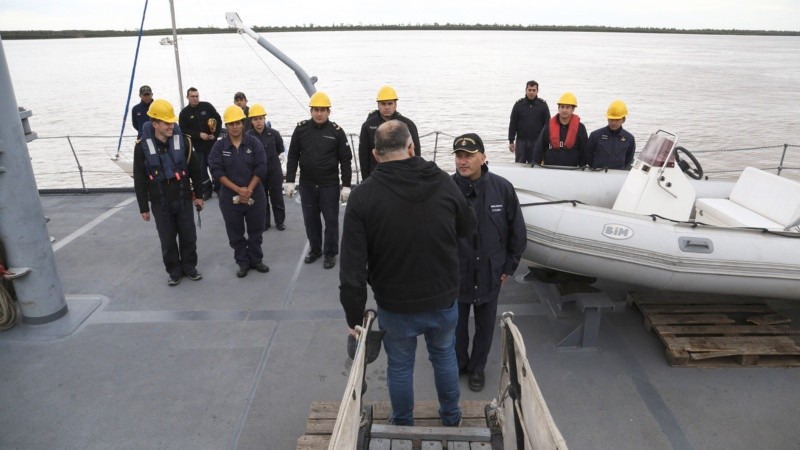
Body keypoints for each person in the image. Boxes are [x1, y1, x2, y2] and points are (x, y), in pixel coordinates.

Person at [339, 120, 476, 427]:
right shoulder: (441, 180)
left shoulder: (363, 197)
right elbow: (468, 226)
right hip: (443, 298)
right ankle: (451, 418)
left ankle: (402, 423)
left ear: (375, 155)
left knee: (400, 367)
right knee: (444, 357)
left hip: (396, 304)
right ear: (412, 147)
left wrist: (353, 319)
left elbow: (352, 271)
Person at [451, 133, 526, 392]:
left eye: (469, 155)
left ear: (483, 157)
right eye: (459, 156)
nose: (463, 161)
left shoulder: (502, 189)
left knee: (485, 325)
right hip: (456, 274)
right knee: (456, 325)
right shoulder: (446, 190)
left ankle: (477, 367)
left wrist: (508, 268)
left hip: (489, 273)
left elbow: (517, 232)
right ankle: (459, 363)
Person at [133, 99, 205, 286]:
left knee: (189, 235)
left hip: (182, 195)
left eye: (172, 122)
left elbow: (196, 171)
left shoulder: (185, 142)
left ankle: (189, 267)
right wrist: (143, 207)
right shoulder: (141, 147)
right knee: (167, 238)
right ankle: (174, 271)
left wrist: (199, 195)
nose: (170, 126)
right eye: (166, 123)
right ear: (154, 123)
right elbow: (140, 180)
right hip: (159, 199)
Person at [284, 91, 352, 270]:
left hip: (329, 184)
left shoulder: (337, 132)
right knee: (310, 219)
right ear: (311, 111)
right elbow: (292, 156)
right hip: (306, 184)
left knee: (331, 220)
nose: (319, 113)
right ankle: (315, 249)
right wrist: (290, 180)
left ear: (329, 111)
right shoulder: (301, 129)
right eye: (315, 109)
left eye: (322, 110)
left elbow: (345, 159)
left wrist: (346, 185)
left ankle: (330, 253)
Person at [207, 105, 269, 278]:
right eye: (231, 123)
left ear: (243, 123)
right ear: (226, 125)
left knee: (256, 231)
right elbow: (216, 171)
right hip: (229, 198)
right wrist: (238, 190)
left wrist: (248, 189)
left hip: (255, 195)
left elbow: (261, 167)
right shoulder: (219, 147)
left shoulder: (254, 143)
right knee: (235, 233)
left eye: (238, 123)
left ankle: (256, 259)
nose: (235, 126)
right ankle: (242, 262)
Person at [358, 85, 421, 180]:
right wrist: (366, 180)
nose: (387, 107)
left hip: (403, 175)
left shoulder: (408, 125)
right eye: (383, 104)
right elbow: (364, 156)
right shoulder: (367, 126)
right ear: (378, 105)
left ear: (396, 104)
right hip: (377, 175)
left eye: (390, 103)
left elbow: (416, 153)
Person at [247, 103, 286, 231]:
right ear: (251, 121)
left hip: (274, 171)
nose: (258, 121)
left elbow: (280, 149)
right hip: (257, 173)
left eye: (260, 118)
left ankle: (280, 222)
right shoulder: (248, 137)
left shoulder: (274, 134)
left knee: (277, 198)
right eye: (255, 119)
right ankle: (265, 223)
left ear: (264, 119)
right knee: (261, 199)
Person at [179, 87, 222, 200]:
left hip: (211, 146)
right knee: (201, 171)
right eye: (193, 96)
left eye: (197, 96)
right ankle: (206, 192)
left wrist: (215, 134)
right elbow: (183, 130)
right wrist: (199, 135)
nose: (195, 98)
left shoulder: (207, 106)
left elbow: (218, 119)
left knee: (216, 167)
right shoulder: (184, 113)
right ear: (187, 97)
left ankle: (220, 190)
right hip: (196, 147)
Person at [533, 92, 589, 167]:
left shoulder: (580, 128)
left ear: (573, 109)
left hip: (572, 171)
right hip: (550, 169)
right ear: (558, 108)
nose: (564, 110)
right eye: (562, 107)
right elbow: (538, 149)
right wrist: (536, 166)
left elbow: (584, 152)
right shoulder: (548, 126)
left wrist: (582, 169)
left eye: (567, 107)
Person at [508, 80, 550, 164]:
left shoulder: (543, 105)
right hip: (521, 142)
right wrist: (511, 141)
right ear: (526, 90)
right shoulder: (518, 105)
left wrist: (547, 143)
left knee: (535, 166)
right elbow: (513, 124)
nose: (531, 92)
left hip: (536, 142)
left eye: (534, 90)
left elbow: (548, 125)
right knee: (519, 166)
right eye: (529, 90)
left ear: (537, 91)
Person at [586, 100, 636, 169]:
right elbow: (588, 156)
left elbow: (629, 159)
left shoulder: (629, 139)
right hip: (597, 174)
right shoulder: (595, 135)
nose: (613, 122)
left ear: (623, 120)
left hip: (618, 175)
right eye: (611, 119)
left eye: (617, 119)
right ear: (607, 118)